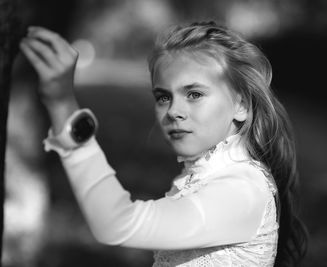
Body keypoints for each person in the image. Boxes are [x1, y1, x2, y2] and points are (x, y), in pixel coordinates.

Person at [20, 21, 307, 266]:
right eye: (163, 97)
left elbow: (118, 223)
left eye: (194, 94)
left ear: (241, 105)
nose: (173, 111)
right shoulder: (213, 177)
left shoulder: (239, 190)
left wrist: (62, 105)